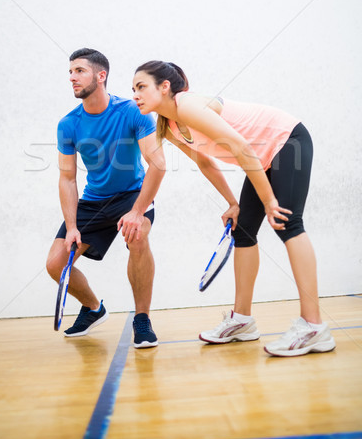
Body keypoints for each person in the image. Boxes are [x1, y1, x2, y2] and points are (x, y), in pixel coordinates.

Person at [132, 60, 336, 357]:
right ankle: (242, 321)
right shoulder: (169, 127)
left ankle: (314, 327)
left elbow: (241, 147)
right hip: (263, 157)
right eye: (133, 89)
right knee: (243, 232)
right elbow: (205, 162)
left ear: (164, 88)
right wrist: (232, 203)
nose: (135, 94)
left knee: (288, 224)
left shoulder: (186, 105)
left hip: (287, 140)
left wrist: (269, 201)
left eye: (141, 87)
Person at [46, 49, 165, 349]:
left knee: (138, 238)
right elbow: (68, 178)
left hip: (131, 195)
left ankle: (142, 319)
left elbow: (158, 164)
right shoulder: (68, 124)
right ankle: (92, 308)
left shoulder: (132, 112)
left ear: (101, 76)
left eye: (79, 71)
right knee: (56, 263)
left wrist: (138, 211)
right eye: (70, 71)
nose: (72, 77)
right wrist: (72, 226)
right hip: (94, 200)